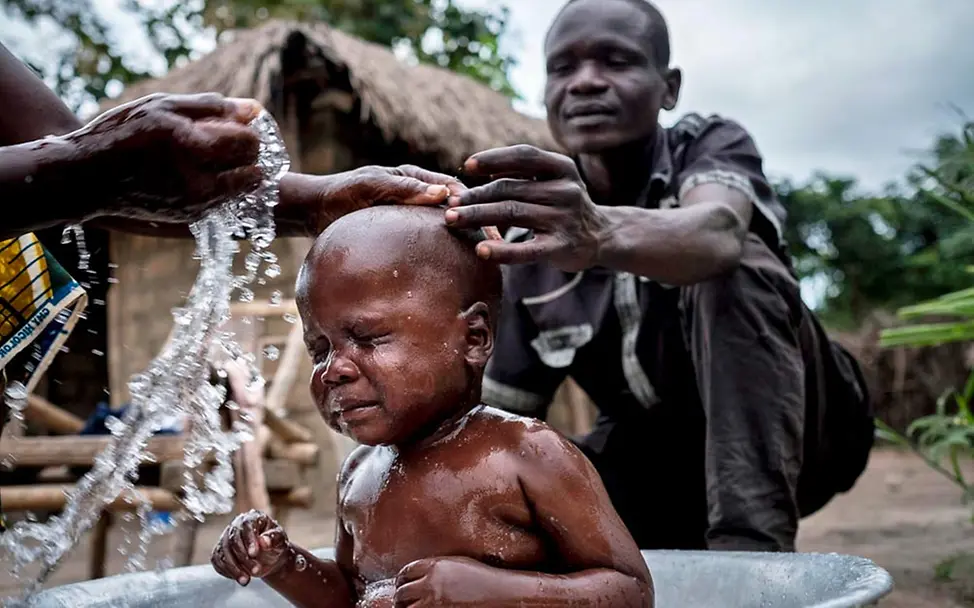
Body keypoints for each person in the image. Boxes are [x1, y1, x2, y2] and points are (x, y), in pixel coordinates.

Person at [443, 0, 875, 552]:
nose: (585, 83)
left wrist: (598, 233)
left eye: (617, 61)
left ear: (668, 88)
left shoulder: (707, 146)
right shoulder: (533, 245)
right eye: (562, 68)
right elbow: (504, 425)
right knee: (515, 500)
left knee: (736, 266)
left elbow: (717, 233)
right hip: (663, 476)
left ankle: (750, 558)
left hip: (808, 440)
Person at [210, 205, 654, 608]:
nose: (333, 370)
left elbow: (631, 590)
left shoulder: (526, 454)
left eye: (367, 338)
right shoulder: (358, 474)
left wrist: (498, 593)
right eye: (319, 348)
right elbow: (350, 596)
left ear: (473, 338)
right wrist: (283, 564)